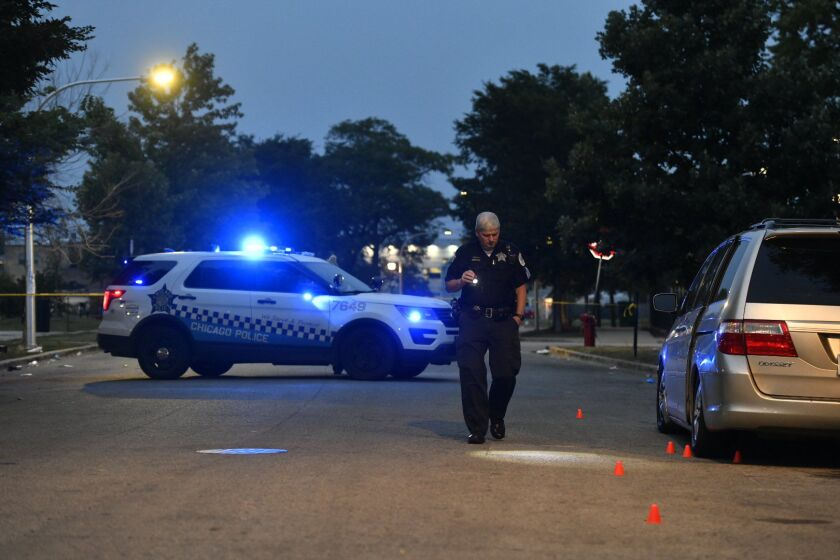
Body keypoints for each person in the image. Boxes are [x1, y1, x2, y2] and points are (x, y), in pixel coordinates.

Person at [445, 212, 529, 444]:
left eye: (495, 234)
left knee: (506, 373)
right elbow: (449, 284)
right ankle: (477, 428)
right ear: (477, 233)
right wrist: (462, 281)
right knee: (471, 371)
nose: (491, 239)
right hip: (473, 319)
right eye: (486, 235)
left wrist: (518, 317)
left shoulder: (511, 253)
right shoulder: (466, 253)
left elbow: (521, 286)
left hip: (504, 320)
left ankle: (496, 414)